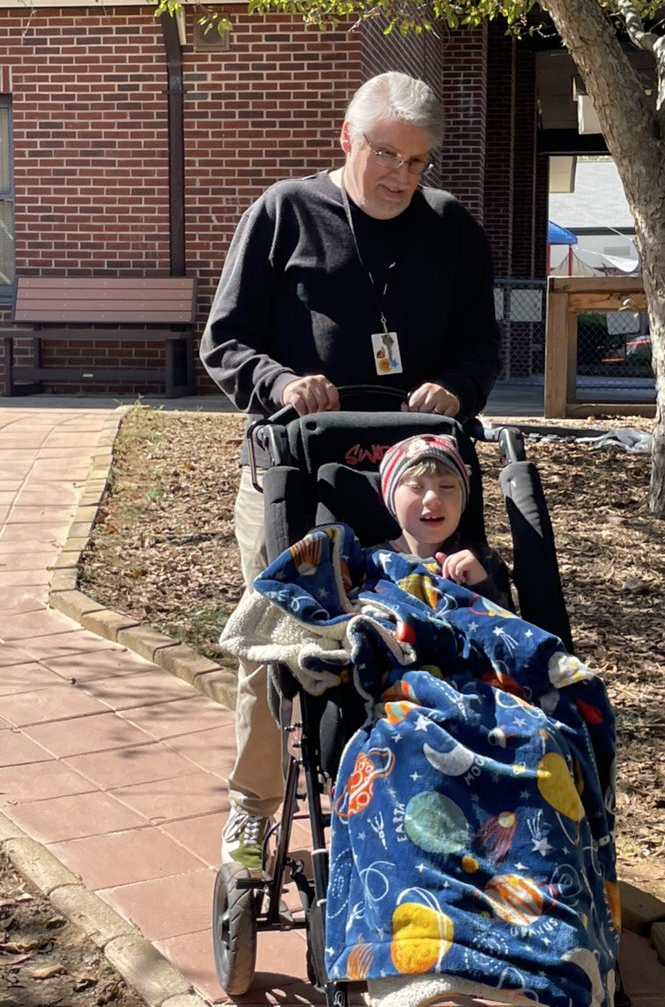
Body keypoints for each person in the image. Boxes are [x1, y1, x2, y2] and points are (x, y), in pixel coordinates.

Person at [201, 70, 500, 869]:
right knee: (281, 640)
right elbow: (223, 341)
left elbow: (481, 346)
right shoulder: (284, 212)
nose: (402, 175)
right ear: (346, 137)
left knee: (426, 630)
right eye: (387, 154)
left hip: (414, 482)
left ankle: (421, 797)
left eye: (418, 160)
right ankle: (253, 809)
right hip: (295, 477)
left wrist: (457, 387)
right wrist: (279, 384)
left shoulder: (451, 229)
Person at [378, 432, 511, 608]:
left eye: (447, 486)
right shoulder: (367, 563)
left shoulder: (485, 562)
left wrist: (481, 586)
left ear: (463, 500)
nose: (432, 499)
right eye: (416, 486)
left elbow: (512, 624)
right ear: (390, 499)